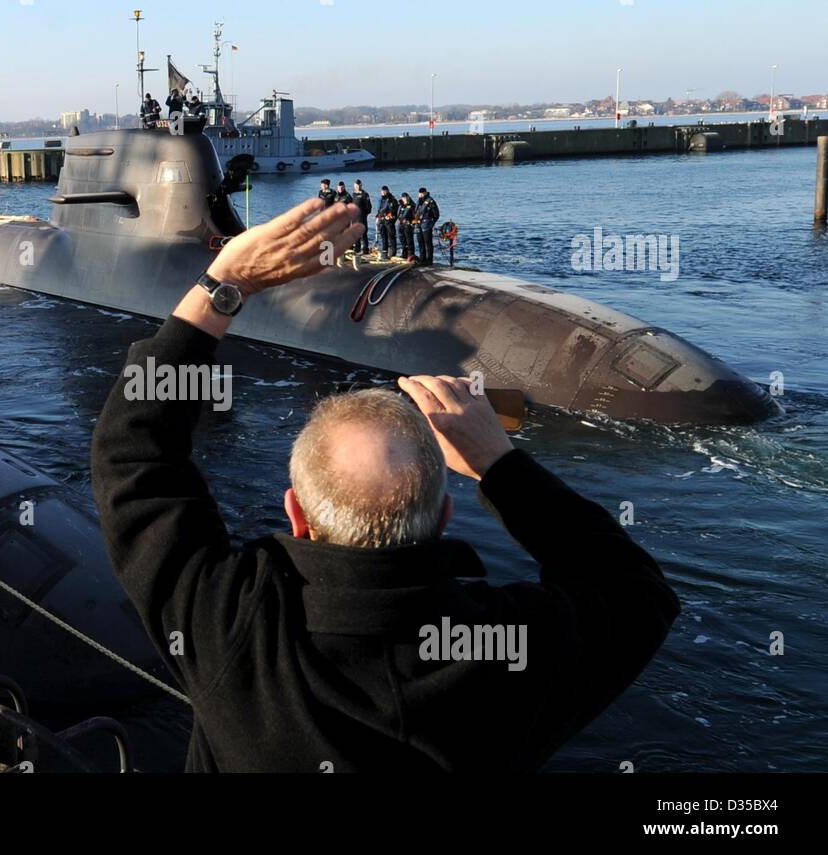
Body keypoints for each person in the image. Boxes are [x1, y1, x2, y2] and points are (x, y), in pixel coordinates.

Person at [90, 197, 679, 772]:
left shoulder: (229, 626)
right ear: (445, 513)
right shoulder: (510, 651)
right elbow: (637, 592)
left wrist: (226, 284)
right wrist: (499, 463)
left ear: (297, 513)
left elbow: (133, 454)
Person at [415, 187, 440, 265]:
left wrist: (432, 223)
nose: (421, 195)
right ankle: (422, 258)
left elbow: (436, 214)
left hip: (427, 224)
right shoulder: (419, 201)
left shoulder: (430, 201)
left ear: (426, 193)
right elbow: (416, 211)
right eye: (420, 193)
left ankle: (429, 260)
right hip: (419, 223)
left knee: (427, 243)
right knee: (420, 242)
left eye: (422, 193)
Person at [376, 185, 398, 260]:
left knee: (391, 237)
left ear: (387, 191)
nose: (383, 192)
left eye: (385, 191)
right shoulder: (380, 199)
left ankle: (393, 253)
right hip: (382, 221)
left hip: (389, 221)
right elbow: (379, 210)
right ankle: (384, 252)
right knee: (383, 237)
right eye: (382, 191)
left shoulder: (392, 199)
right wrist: (378, 217)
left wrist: (391, 219)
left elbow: (394, 211)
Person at [351, 179, 373, 256]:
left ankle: (365, 250)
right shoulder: (353, 194)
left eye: (359, 185)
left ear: (361, 185)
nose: (357, 187)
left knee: (363, 233)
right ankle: (357, 249)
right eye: (356, 185)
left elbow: (369, 206)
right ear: (354, 186)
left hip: (362, 217)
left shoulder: (364, 194)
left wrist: (364, 214)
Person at [397, 192, 417, 262]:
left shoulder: (412, 205)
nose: (404, 199)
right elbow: (399, 214)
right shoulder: (401, 205)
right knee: (402, 240)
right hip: (401, 224)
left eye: (405, 198)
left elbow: (415, 216)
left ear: (408, 198)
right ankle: (404, 253)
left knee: (409, 240)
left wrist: (411, 223)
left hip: (408, 225)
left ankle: (411, 254)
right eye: (403, 198)